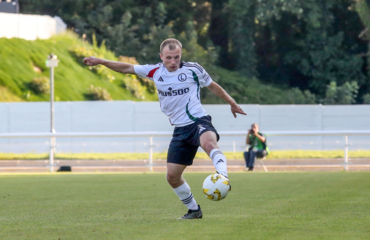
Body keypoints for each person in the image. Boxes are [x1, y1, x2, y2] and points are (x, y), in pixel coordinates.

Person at [83, 38, 246, 219]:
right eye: (169, 58)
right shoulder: (154, 71)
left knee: (209, 144)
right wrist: (102, 62)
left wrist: (231, 102)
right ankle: (194, 210)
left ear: (181, 54)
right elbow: (126, 68)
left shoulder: (193, 69)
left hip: (198, 120)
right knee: (172, 177)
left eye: (176, 57)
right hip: (180, 130)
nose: (173, 62)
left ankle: (222, 176)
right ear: (161, 57)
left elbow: (212, 86)